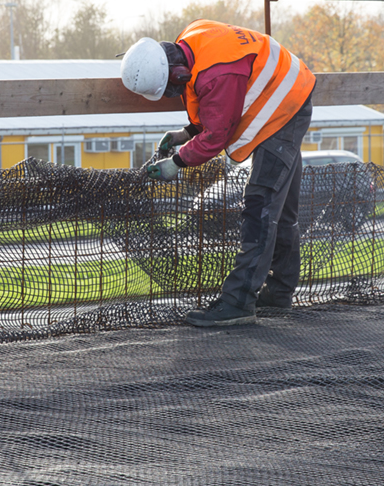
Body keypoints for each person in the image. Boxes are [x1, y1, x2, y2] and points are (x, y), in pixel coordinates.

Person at [120, 19, 315, 327]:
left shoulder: (220, 73)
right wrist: (184, 134)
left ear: (176, 71)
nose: (175, 92)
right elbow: (215, 106)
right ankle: (278, 294)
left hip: (283, 106)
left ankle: (238, 302)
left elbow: (216, 136)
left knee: (260, 206)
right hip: (290, 89)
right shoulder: (192, 39)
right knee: (281, 209)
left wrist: (176, 163)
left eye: (173, 87)